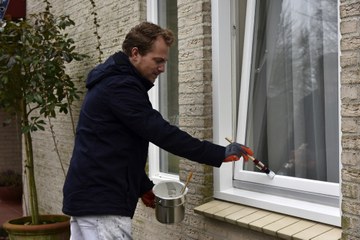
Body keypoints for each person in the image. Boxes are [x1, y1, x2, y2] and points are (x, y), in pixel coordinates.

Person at [62, 21, 253, 240]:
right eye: (158, 60)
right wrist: (218, 153)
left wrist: (143, 187)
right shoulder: (120, 86)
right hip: (101, 206)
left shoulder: (115, 82)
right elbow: (161, 132)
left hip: (92, 200)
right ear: (135, 53)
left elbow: (117, 147)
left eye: (164, 62)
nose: (162, 68)